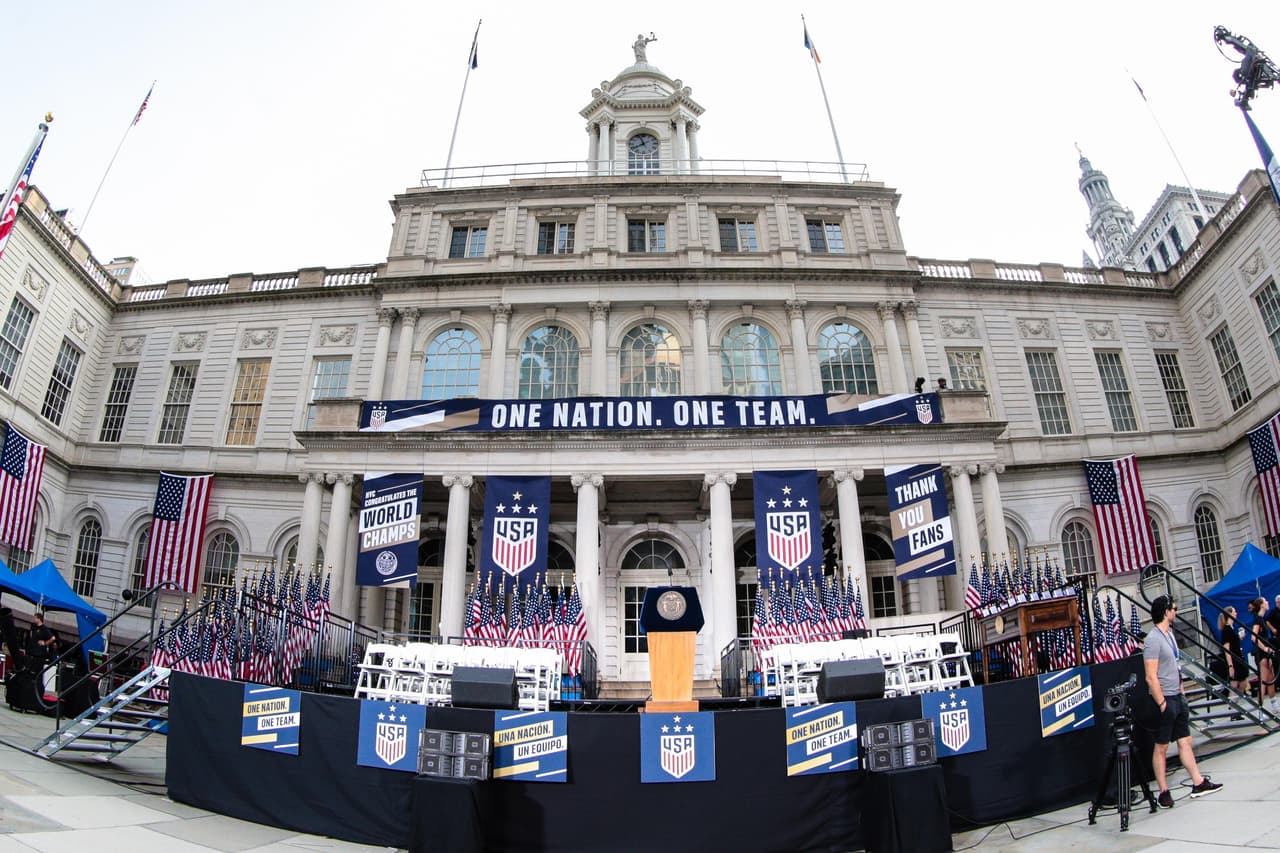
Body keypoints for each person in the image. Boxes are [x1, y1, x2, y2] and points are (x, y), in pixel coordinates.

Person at [1144, 595, 1223, 807]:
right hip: (1164, 700)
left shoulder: (1169, 634)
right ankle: (1163, 792)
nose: (1176, 612)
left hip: (1177, 697)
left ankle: (1198, 782)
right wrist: (1162, 703)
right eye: (1174, 608)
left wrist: (1181, 693)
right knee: (1161, 747)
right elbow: (1150, 676)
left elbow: (1175, 667)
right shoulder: (1153, 640)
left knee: (1185, 741)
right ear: (1166, 611)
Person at [1248, 597, 1276, 709]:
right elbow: (1253, 637)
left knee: (1270, 678)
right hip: (1261, 653)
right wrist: (1264, 648)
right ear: (1261, 605)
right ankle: (1260, 708)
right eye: (1265, 601)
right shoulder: (1257, 619)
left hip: (1267, 652)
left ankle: (1274, 704)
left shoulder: (1262, 619)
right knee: (1263, 681)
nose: (1267, 603)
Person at [1219, 606, 1250, 696]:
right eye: (1234, 612)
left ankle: (1237, 700)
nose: (1236, 613)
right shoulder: (1226, 630)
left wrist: (1239, 637)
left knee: (1243, 683)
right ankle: (1232, 702)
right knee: (1234, 683)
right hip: (1233, 660)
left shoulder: (1231, 628)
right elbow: (1226, 648)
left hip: (1238, 657)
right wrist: (1230, 666)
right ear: (1230, 614)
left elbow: (1233, 641)